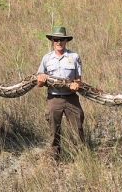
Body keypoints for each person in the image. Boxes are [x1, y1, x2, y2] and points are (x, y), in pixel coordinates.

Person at [37, 26, 85, 161]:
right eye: (56, 39)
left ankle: (81, 158)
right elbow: (39, 82)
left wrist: (77, 84)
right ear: (52, 41)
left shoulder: (74, 57)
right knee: (54, 130)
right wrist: (40, 80)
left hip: (71, 98)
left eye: (61, 40)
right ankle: (55, 158)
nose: (59, 42)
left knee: (78, 128)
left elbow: (79, 80)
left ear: (66, 41)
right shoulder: (46, 58)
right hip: (54, 98)